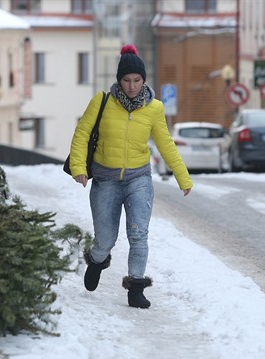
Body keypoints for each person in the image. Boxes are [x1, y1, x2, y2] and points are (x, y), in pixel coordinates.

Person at [68, 44, 193, 309]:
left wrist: (183, 178)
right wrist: (79, 167)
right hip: (105, 179)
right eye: (127, 80)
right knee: (106, 239)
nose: (132, 86)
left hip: (139, 179)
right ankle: (97, 259)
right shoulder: (101, 101)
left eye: (137, 80)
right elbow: (81, 134)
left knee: (138, 235)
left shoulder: (154, 108)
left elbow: (166, 144)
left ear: (144, 81)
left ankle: (136, 288)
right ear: (119, 80)